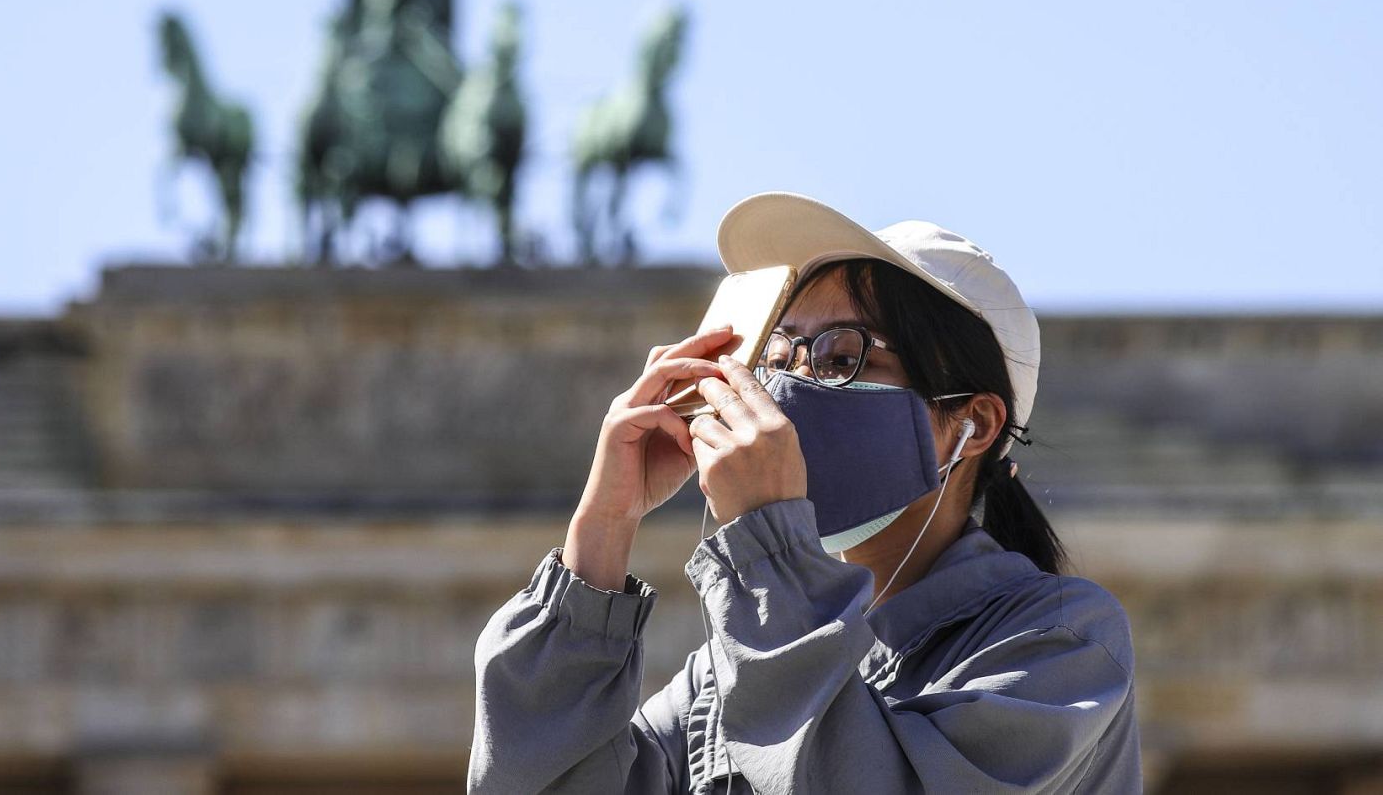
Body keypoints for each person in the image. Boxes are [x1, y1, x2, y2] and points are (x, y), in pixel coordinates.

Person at [468, 191, 1142, 794]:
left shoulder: (1061, 640)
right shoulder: (720, 682)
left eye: (842, 358)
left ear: (972, 425)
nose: (787, 392)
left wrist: (769, 536)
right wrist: (604, 531)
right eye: (783, 355)